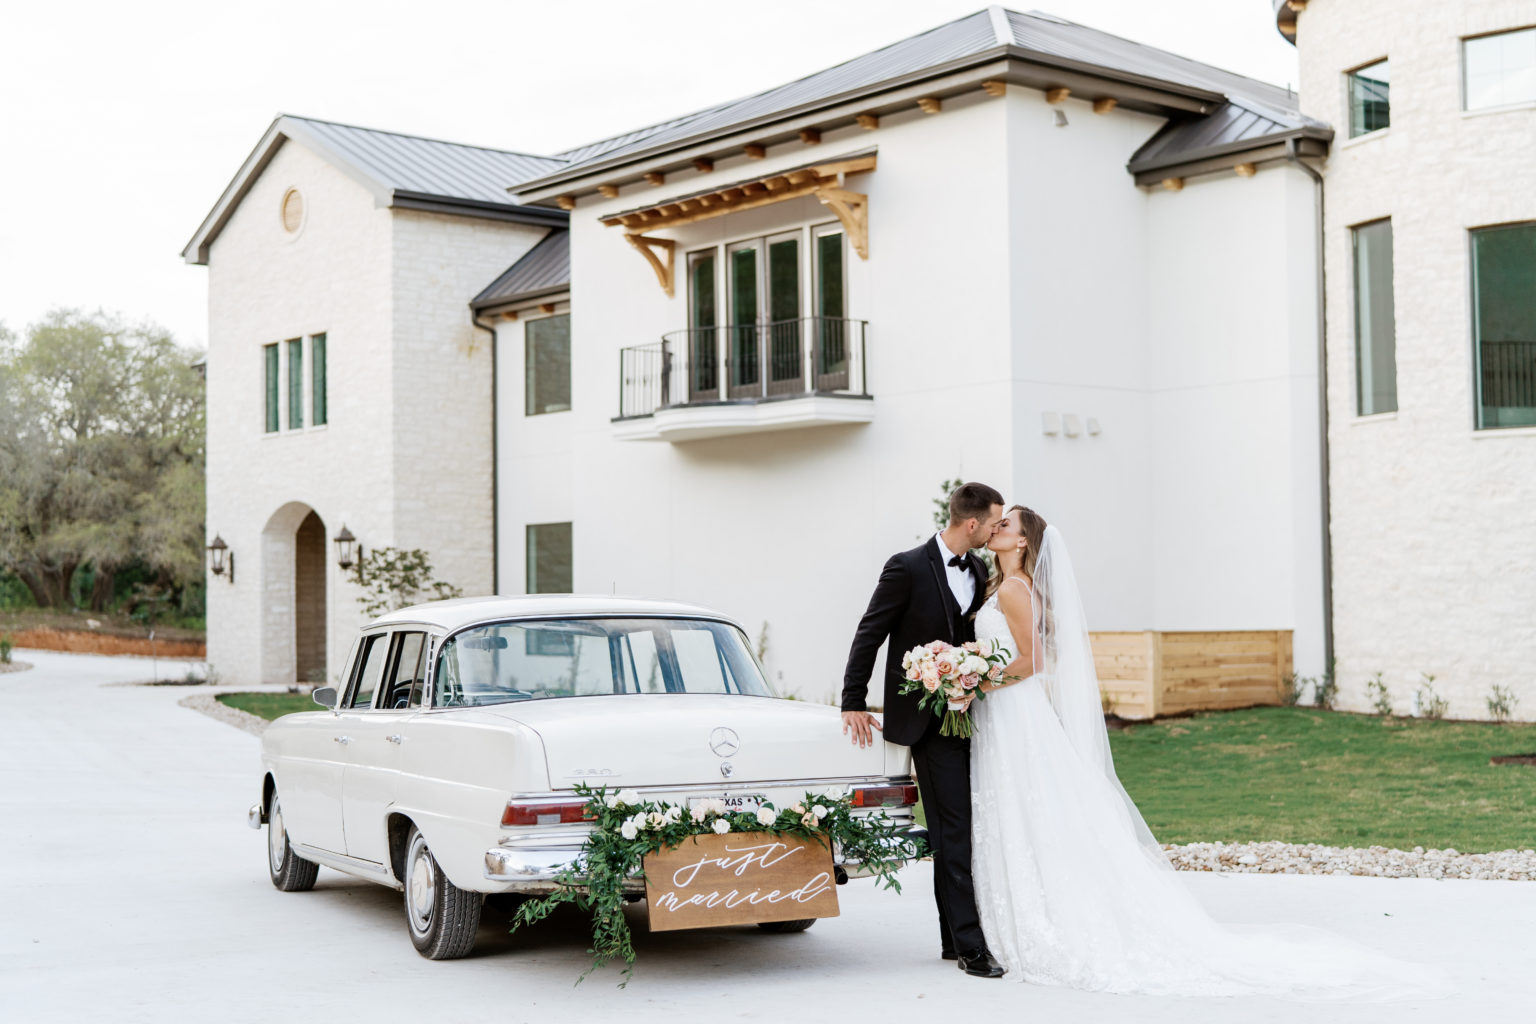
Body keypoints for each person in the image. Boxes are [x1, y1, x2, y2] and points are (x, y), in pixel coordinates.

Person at [966, 505, 1444, 998]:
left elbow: (1036, 659)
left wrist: (977, 682)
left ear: (1023, 543)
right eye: (997, 523)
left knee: (1026, 806)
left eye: (1007, 525)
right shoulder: (1008, 587)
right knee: (1030, 809)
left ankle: (1041, 918)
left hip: (1011, 711)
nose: (997, 528)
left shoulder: (1011, 589)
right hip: (1013, 713)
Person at [841, 482, 1007, 979]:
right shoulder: (906, 566)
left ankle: (951, 938)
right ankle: (972, 948)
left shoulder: (978, 569)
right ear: (972, 524)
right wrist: (852, 700)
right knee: (953, 829)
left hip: (970, 716)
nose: (998, 529)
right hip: (926, 721)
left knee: (953, 829)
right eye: (994, 522)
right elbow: (870, 632)